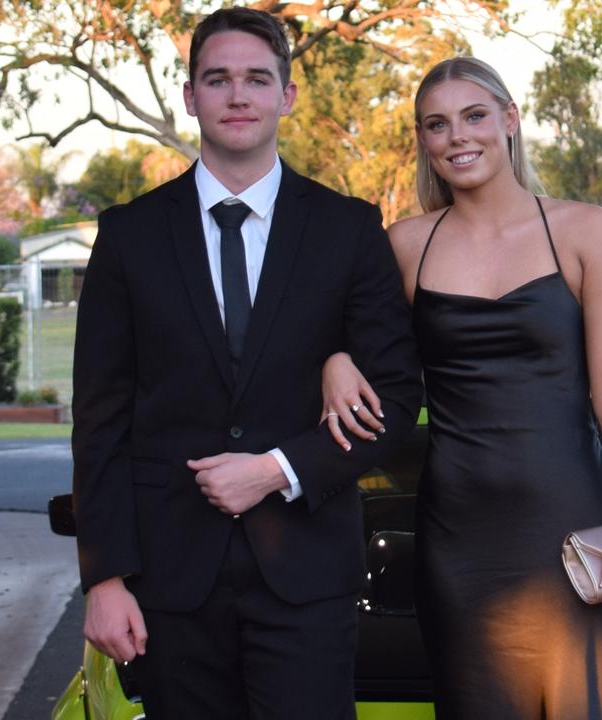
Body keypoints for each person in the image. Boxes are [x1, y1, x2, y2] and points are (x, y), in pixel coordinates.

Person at [69, 7, 423, 719]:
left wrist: (275, 469)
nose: (238, 96)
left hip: (306, 576)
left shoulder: (347, 229)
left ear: (286, 95)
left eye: (257, 79)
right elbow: (99, 422)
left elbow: (395, 395)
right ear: (190, 94)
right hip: (170, 585)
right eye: (218, 79)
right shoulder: (128, 236)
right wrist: (105, 577)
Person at [320, 57, 602, 719]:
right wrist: (335, 356)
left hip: (570, 530)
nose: (457, 136)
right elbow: (345, 337)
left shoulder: (583, 229)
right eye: (436, 124)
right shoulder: (405, 246)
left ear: (508, 121)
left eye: (473, 116)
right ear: (423, 141)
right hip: (458, 539)